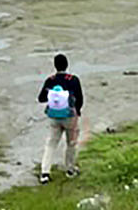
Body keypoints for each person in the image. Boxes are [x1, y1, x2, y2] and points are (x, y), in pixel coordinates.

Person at [37, 53, 83, 184]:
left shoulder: (50, 80)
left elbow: (41, 98)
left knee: (51, 144)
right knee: (71, 143)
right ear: (67, 65)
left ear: (55, 66)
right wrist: (77, 112)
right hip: (70, 117)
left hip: (54, 117)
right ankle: (70, 169)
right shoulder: (73, 80)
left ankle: (45, 173)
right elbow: (80, 99)